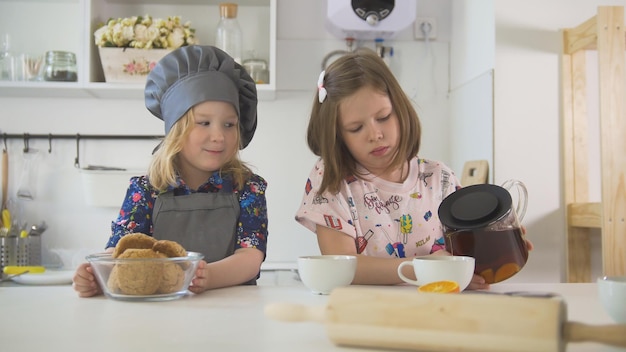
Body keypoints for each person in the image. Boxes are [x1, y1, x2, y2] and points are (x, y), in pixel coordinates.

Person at [295, 48, 531, 290]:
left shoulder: (440, 178)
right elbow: (342, 267)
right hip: (365, 316)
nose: (375, 134)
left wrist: (485, 254)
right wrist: (424, 268)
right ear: (337, 136)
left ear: (400, 109)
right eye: (356, 128)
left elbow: (458, 256)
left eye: (384, 117)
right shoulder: (331, 180)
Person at [73, 45, 268, 297]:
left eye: (229, 124)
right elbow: (123, 250)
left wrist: (205, 277)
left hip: (233, 311)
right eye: (204, 123)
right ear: (176, 129)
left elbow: (250, 257)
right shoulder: (145, 190)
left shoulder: (247, 188)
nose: (219, 136)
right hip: (158, 315)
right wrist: (96, 274)